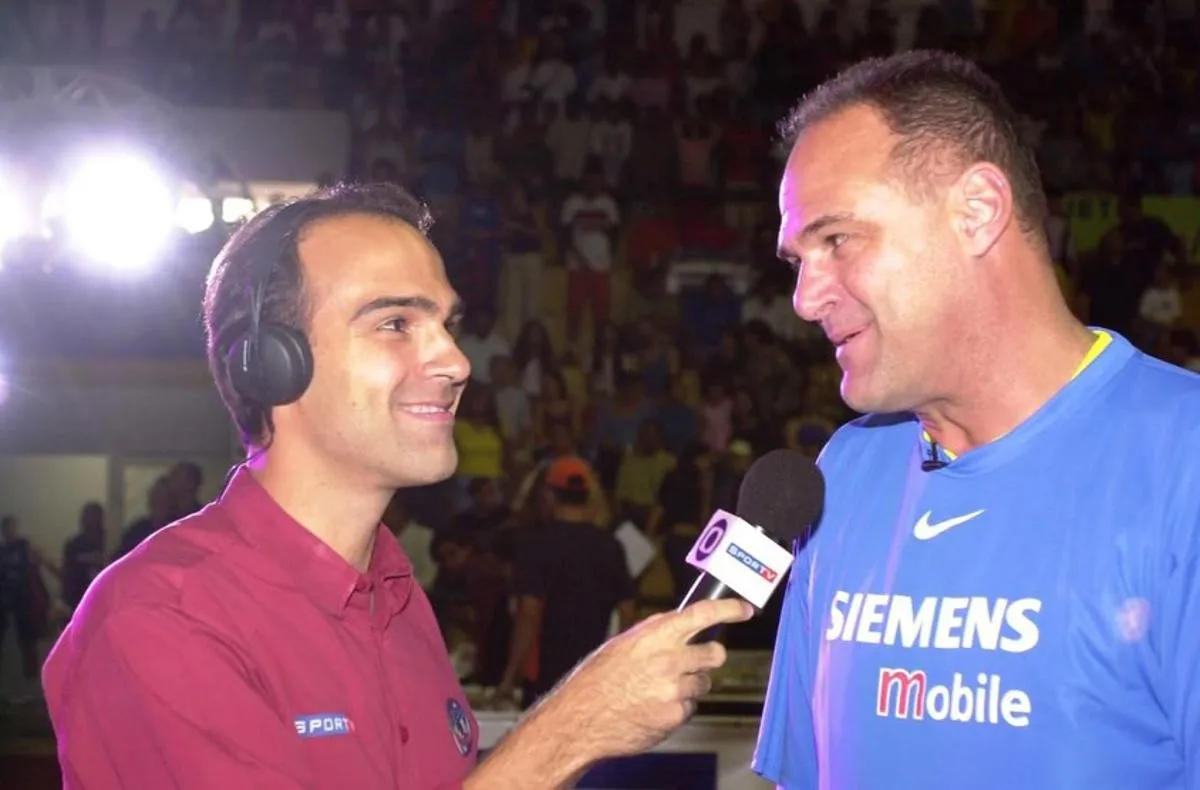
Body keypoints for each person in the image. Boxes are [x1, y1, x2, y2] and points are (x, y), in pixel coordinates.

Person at [43, 183, 751, 790]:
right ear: (271, 366)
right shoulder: (162, 617)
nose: (454, 360)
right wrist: (569, 734)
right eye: (395, 323)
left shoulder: (399, 600)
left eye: (446, 324)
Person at [755, 51, 1200, 790]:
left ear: (977, 211)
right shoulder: (844, 473)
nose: (804, 298)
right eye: (797, 259)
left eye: (837, 241)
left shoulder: (1183, 467)